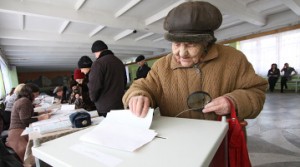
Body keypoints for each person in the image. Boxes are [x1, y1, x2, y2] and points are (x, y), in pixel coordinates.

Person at [122, 1, 268, 122]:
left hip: (221, 142)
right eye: (176, 44)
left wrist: (233, 102)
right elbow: (143, 87)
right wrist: (137, 96)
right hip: (178, 141)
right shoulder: (162, 66)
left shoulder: (234, 59)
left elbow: (256, 92)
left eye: (191, 45)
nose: (181, 53)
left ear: (207, 43)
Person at [6, 83, 50, 162]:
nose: (38, 94)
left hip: (17, 130)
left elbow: (27, 113)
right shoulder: (24, 101)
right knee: (30, 154)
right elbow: (25, 119)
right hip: (18, 132)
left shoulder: (22, 100)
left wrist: (40, 113)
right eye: (36, 92)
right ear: (31, 92)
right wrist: (41, 118)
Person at [88, 40, 127, 117]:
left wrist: (93, 98)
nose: (95, 56)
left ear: (96, 52)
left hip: (105, 106)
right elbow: (124, 82)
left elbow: (94, 86)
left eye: (94, 54)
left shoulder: (98, 63)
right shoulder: (119, 61)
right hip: (120, 103)